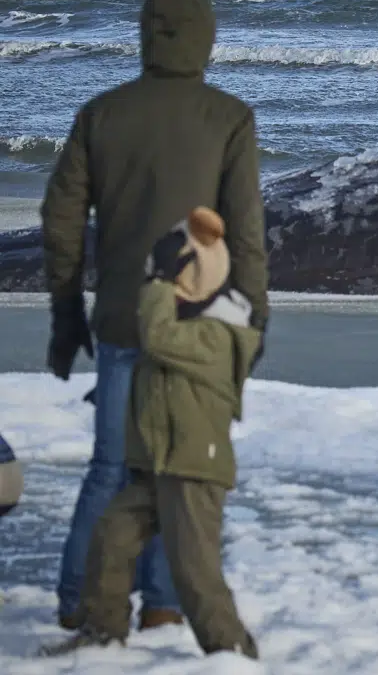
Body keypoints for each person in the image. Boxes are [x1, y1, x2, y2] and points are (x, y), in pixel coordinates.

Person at [41, 0, 269, 630]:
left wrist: (66, 312)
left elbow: (61, 220)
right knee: (180, 464)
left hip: (119, 318)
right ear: (207, 36)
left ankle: (80, 603)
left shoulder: (101, 114)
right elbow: (245, 232)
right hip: (197, 331)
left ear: (145, 34)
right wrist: (253, 320)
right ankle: (166, 609)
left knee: (111, 466)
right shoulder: (229, 118)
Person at [42, 208, 263, 659]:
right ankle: (102, 634)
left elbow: (158, 336)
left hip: (193, 468)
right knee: (112, 540)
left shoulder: (221, 334)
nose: (157, 278)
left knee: (196, 574)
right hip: (156, 464)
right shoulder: (189, 325)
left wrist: (161, 281)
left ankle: (234, 655)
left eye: (169, 269)